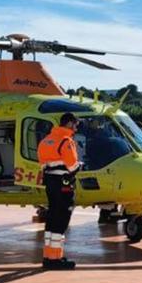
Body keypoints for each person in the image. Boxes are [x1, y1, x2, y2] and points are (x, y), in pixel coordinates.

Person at [37, 113, 82, 270]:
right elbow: (72, 167)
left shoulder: (46, 140)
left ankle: (48, 256)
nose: (76, 129)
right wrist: (80, 165)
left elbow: (43, 164)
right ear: (69, 124)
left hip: (50, 182)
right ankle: (55, 259)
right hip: (63, 184)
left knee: (52, 217)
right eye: (75, 125)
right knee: (62, 219)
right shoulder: (66, 141)